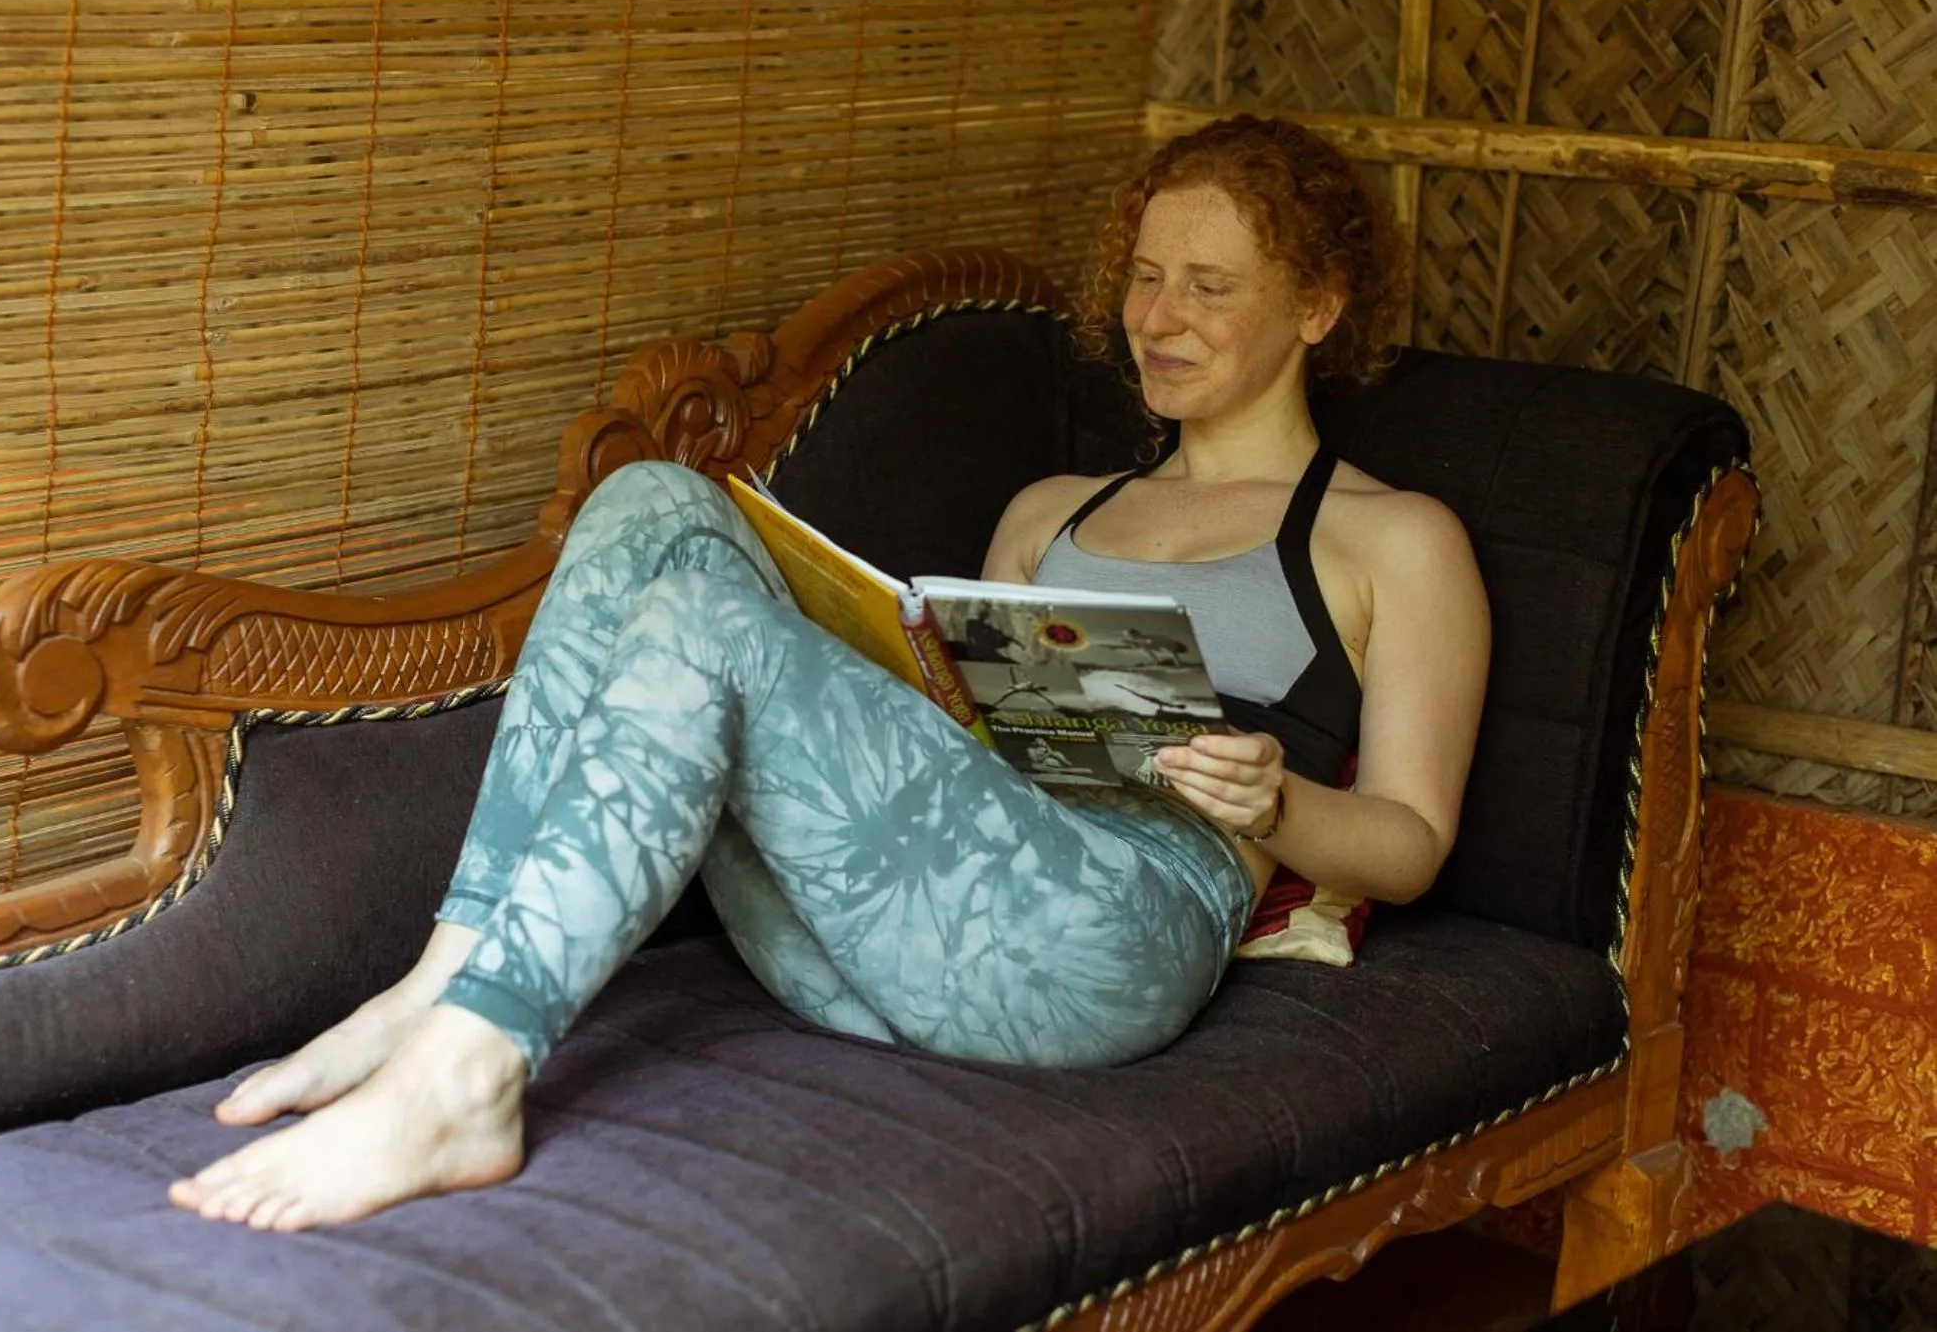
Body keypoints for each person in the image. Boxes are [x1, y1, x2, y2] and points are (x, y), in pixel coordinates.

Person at [168, 113, 1492, 1233]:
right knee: (652, 502)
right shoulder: (1049, 513)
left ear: (1316, 306)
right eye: (1145, 277)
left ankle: (467, 1079)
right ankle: (446, 984)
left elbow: (1414, 842)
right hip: (896, 925)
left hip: (1111, 930)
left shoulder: (1391, 540)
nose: (1158, 316)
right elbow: (946, 750)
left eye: (1209, 286)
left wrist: (1277, 809)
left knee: (706, 627)